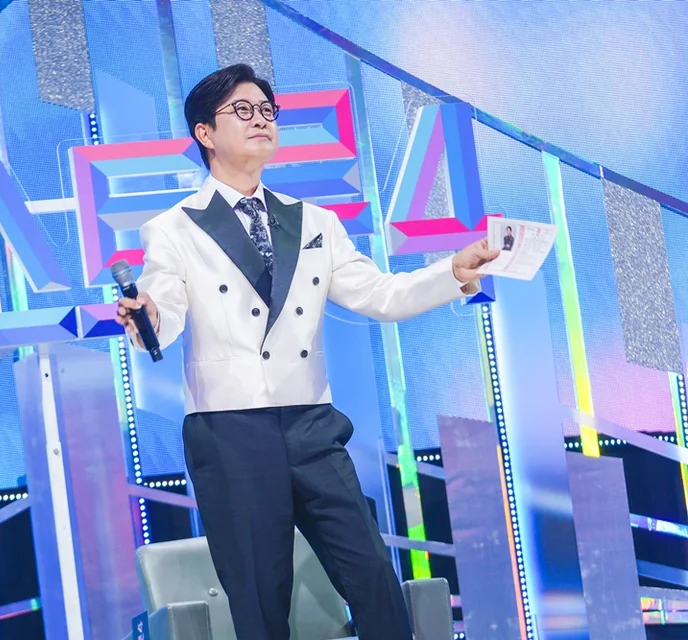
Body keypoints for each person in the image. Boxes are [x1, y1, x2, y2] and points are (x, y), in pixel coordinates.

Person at [115, 64, 497, 640]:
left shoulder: (313, 220)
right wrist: (143, 315)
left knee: (372, 575)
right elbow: (162, 310)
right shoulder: (174, 228)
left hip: (312, 424)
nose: (260, 120)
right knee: (260, 598)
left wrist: (453, 272)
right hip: (231, 430)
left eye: (267, 110)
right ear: (205, 133)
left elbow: (381, 295)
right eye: (242, 110)